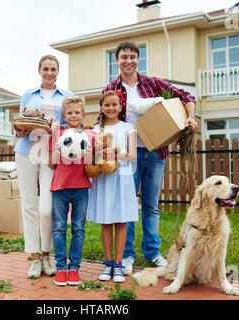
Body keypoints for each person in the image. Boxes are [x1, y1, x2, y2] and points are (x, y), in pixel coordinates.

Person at [100, 41, 197, 274]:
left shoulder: (152, 83)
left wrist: (191, 116)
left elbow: (185, 95)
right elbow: (102, 118)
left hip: (155, 152)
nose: (128, 60)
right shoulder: (111, 88)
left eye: (133, 56)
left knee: (151, 205)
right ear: (117, 60)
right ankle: (127, 256)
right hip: (128, 154)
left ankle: (153, 253)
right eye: (124, 56)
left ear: (137, 59)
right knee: (128, 204)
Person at [13, 55, 72, 279]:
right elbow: (19, 126)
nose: (49, 72)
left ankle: (48, 255)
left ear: (58, 71)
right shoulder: (29, 94)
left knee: (47, 208)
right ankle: (35, 258)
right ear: (39, 71)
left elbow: (71, 124)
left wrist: (55, 129)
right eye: (45, 69)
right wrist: (21, 130)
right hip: (26, 151)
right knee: (28, 205)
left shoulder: (66, 95)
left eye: (53, 69)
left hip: (51, 154)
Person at [87, 91, 137, 283]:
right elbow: (89, 155)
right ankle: (107, 264)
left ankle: (118, 264)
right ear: (101, 107)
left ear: (120, 106)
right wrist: (98, 153)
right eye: (107, 105)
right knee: (106, 221)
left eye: (114, 104)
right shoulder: (94, 130)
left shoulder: (128, 128)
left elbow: (132, 155)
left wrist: (116, 154)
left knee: (121, 220)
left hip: (122, 178)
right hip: (103, 179)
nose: (111, 108)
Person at [48, 95, 94, 286]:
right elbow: (51, 164)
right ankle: (60, 268)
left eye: (77, 112)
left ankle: (74, 268)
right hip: (60, 187)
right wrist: (58, 151)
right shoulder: (58, 135)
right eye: (69, 113)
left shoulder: (90, 137)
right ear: (64, 116)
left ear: (83, 115)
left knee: (78, 228)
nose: (73, 115)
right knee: (59, 228)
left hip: (81, 188)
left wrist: (91, 152)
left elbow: (93, 167)